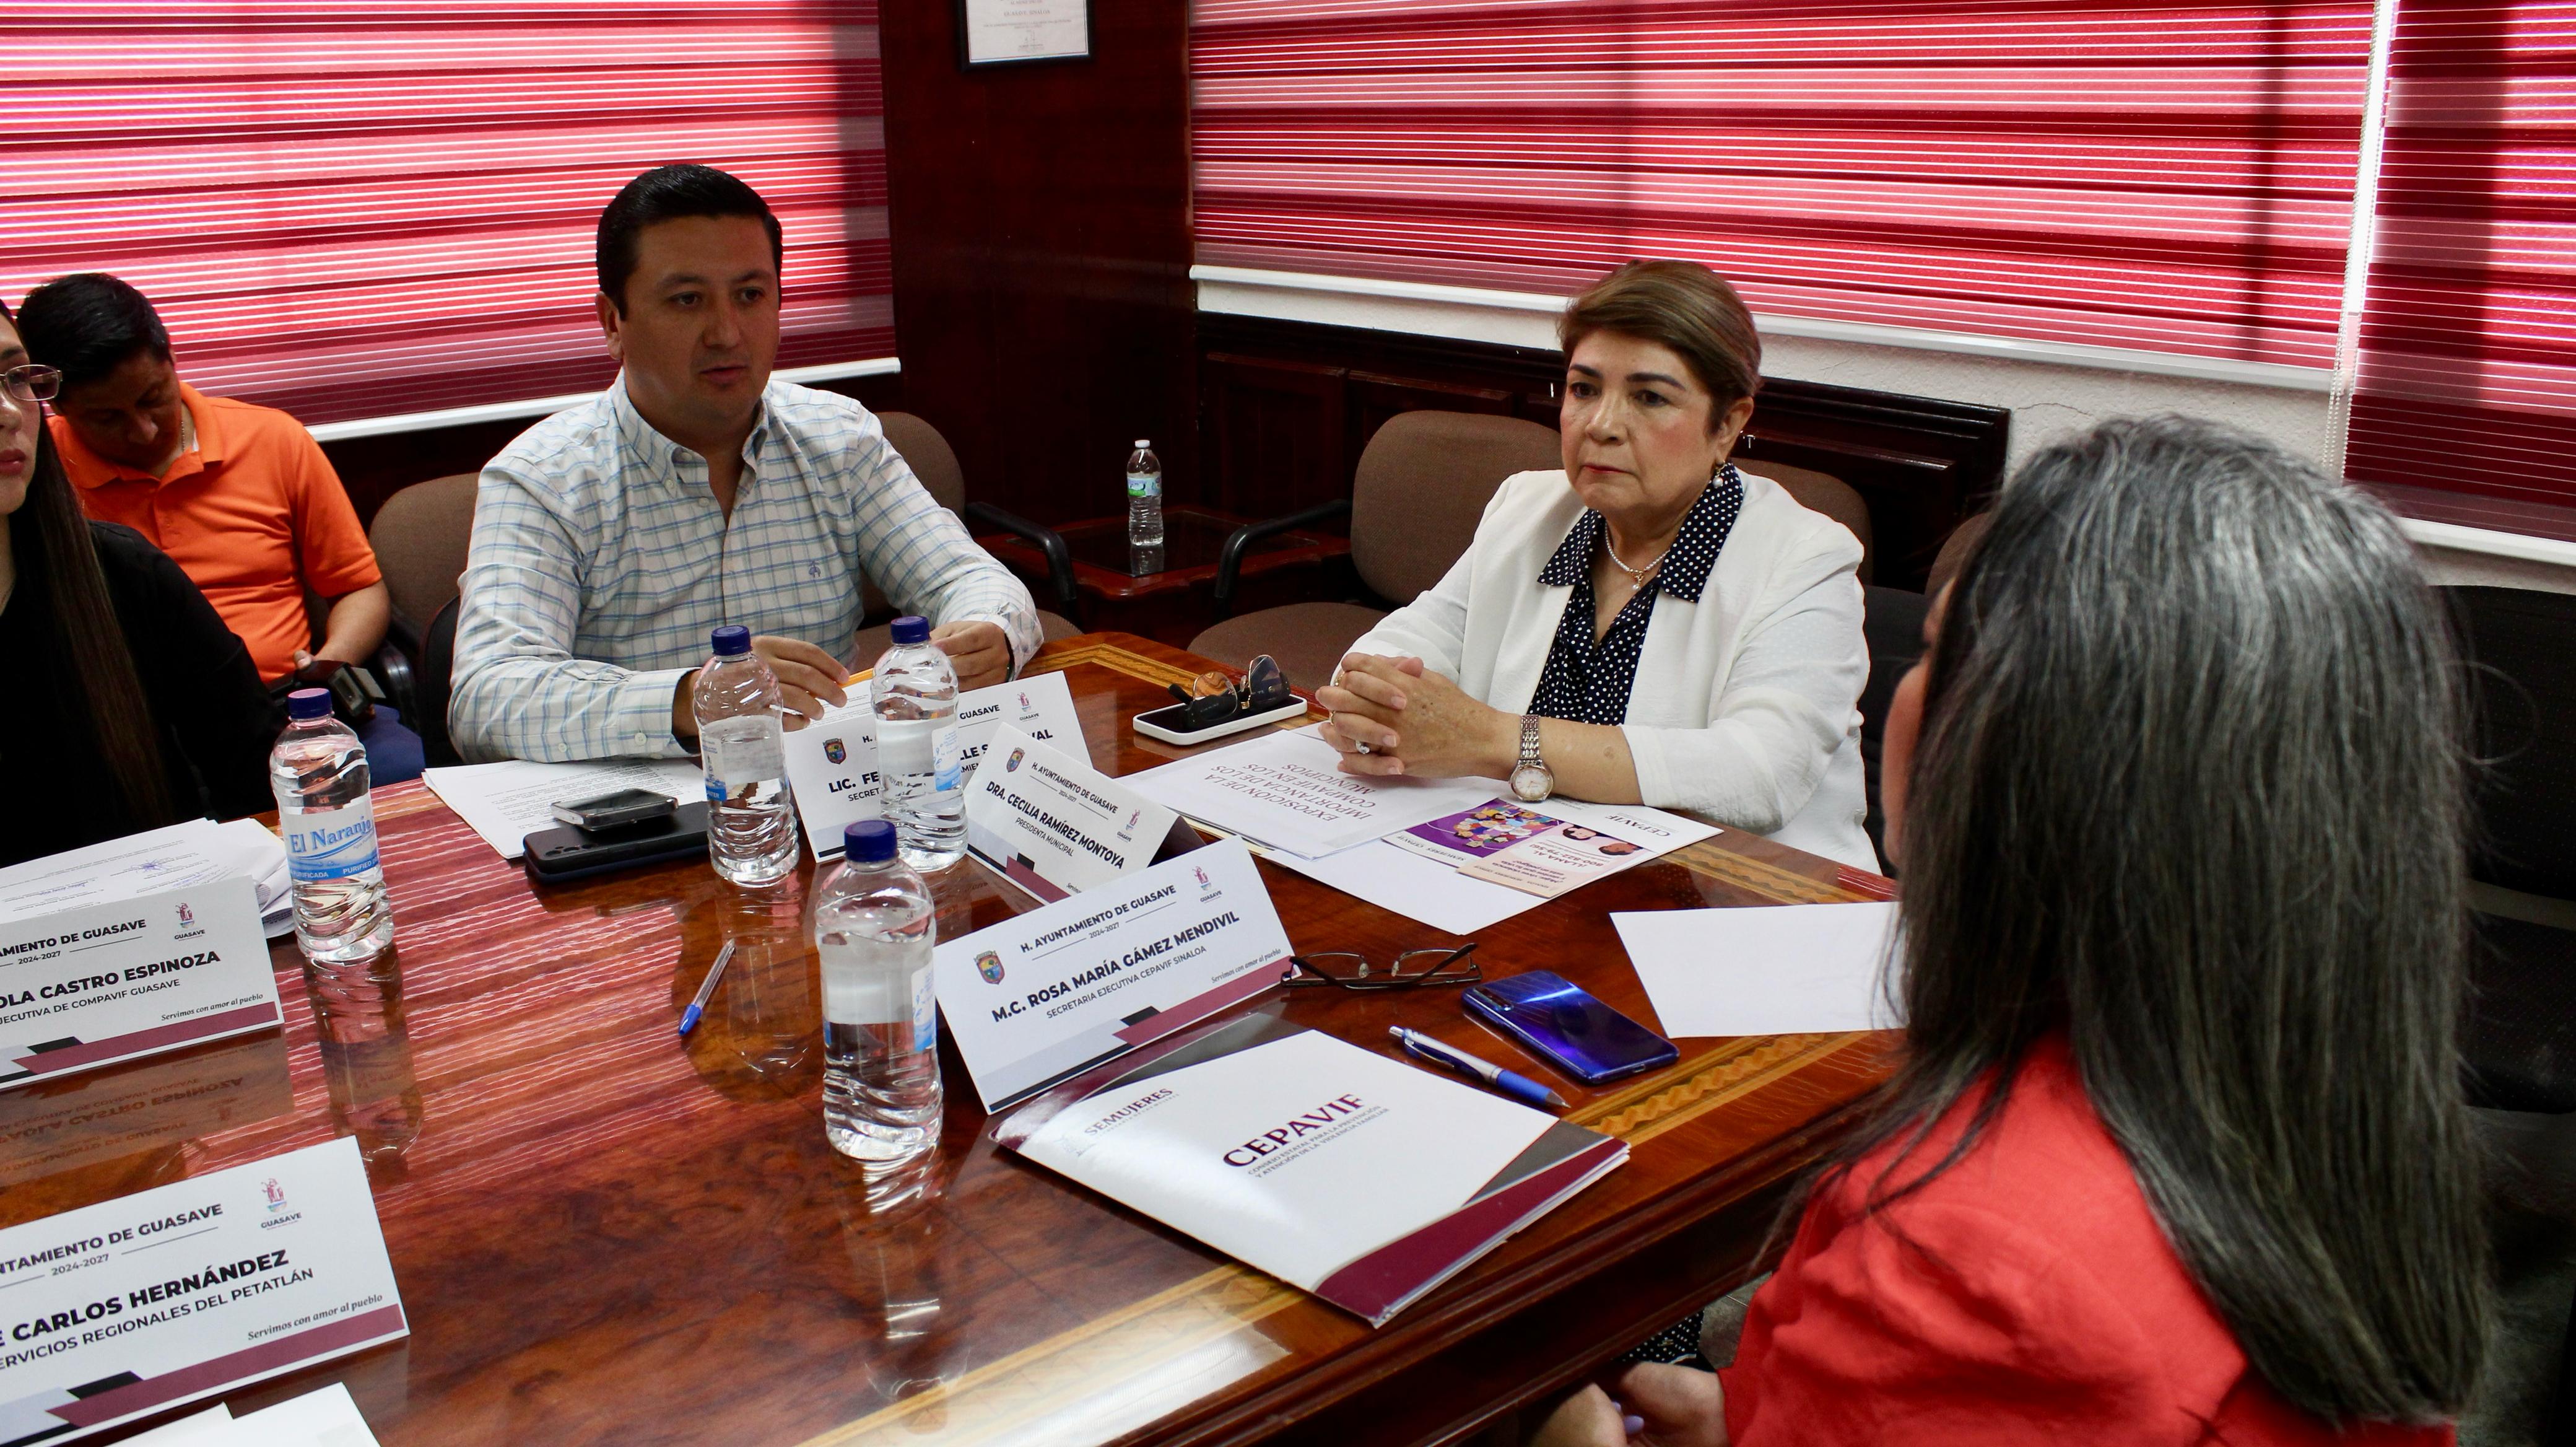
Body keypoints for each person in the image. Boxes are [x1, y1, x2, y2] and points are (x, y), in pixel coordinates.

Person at [1534, 418, 2491, 1445]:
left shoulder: (1977, 1256)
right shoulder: (2327, 1100)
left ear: (2032, 761)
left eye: (1939, 651)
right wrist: (1769, 1410)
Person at [448, 164, 1041, 763]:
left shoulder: (839, 440)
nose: (727, 333)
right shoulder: (542, 479)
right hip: (647, 819)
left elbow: (970, 580)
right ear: (612, 322)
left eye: (751, 295)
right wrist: (691, 698)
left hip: (835, 788)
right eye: (687, 300)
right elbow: (487, 695)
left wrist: (988, 633)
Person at [1316, 260, 1874, 870]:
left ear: (1728, 424)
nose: (1601, 425)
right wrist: (1371, 707)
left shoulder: (1804, 555)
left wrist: (1492, 739)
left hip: (1739, 893)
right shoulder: (1527, 507)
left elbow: (1760, 772)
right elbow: (1400, 647)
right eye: (1583, 389)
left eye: (1649, 397)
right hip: (1529, 866)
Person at [15, 273, 423, 784]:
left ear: (171, 361)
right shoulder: (33, 475)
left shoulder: (271, 438)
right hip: (132, 730)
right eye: (106, 418)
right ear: (54, 403)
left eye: (152, 398)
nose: (142, 430)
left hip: (284, 705)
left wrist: (326, 666)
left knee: (400, 772)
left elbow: (358, 587)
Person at [0, 297, 279, 867]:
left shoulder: (125, 574)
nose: (7, 411)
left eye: (14, 376)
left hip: (155, 932)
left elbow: (257, 777)